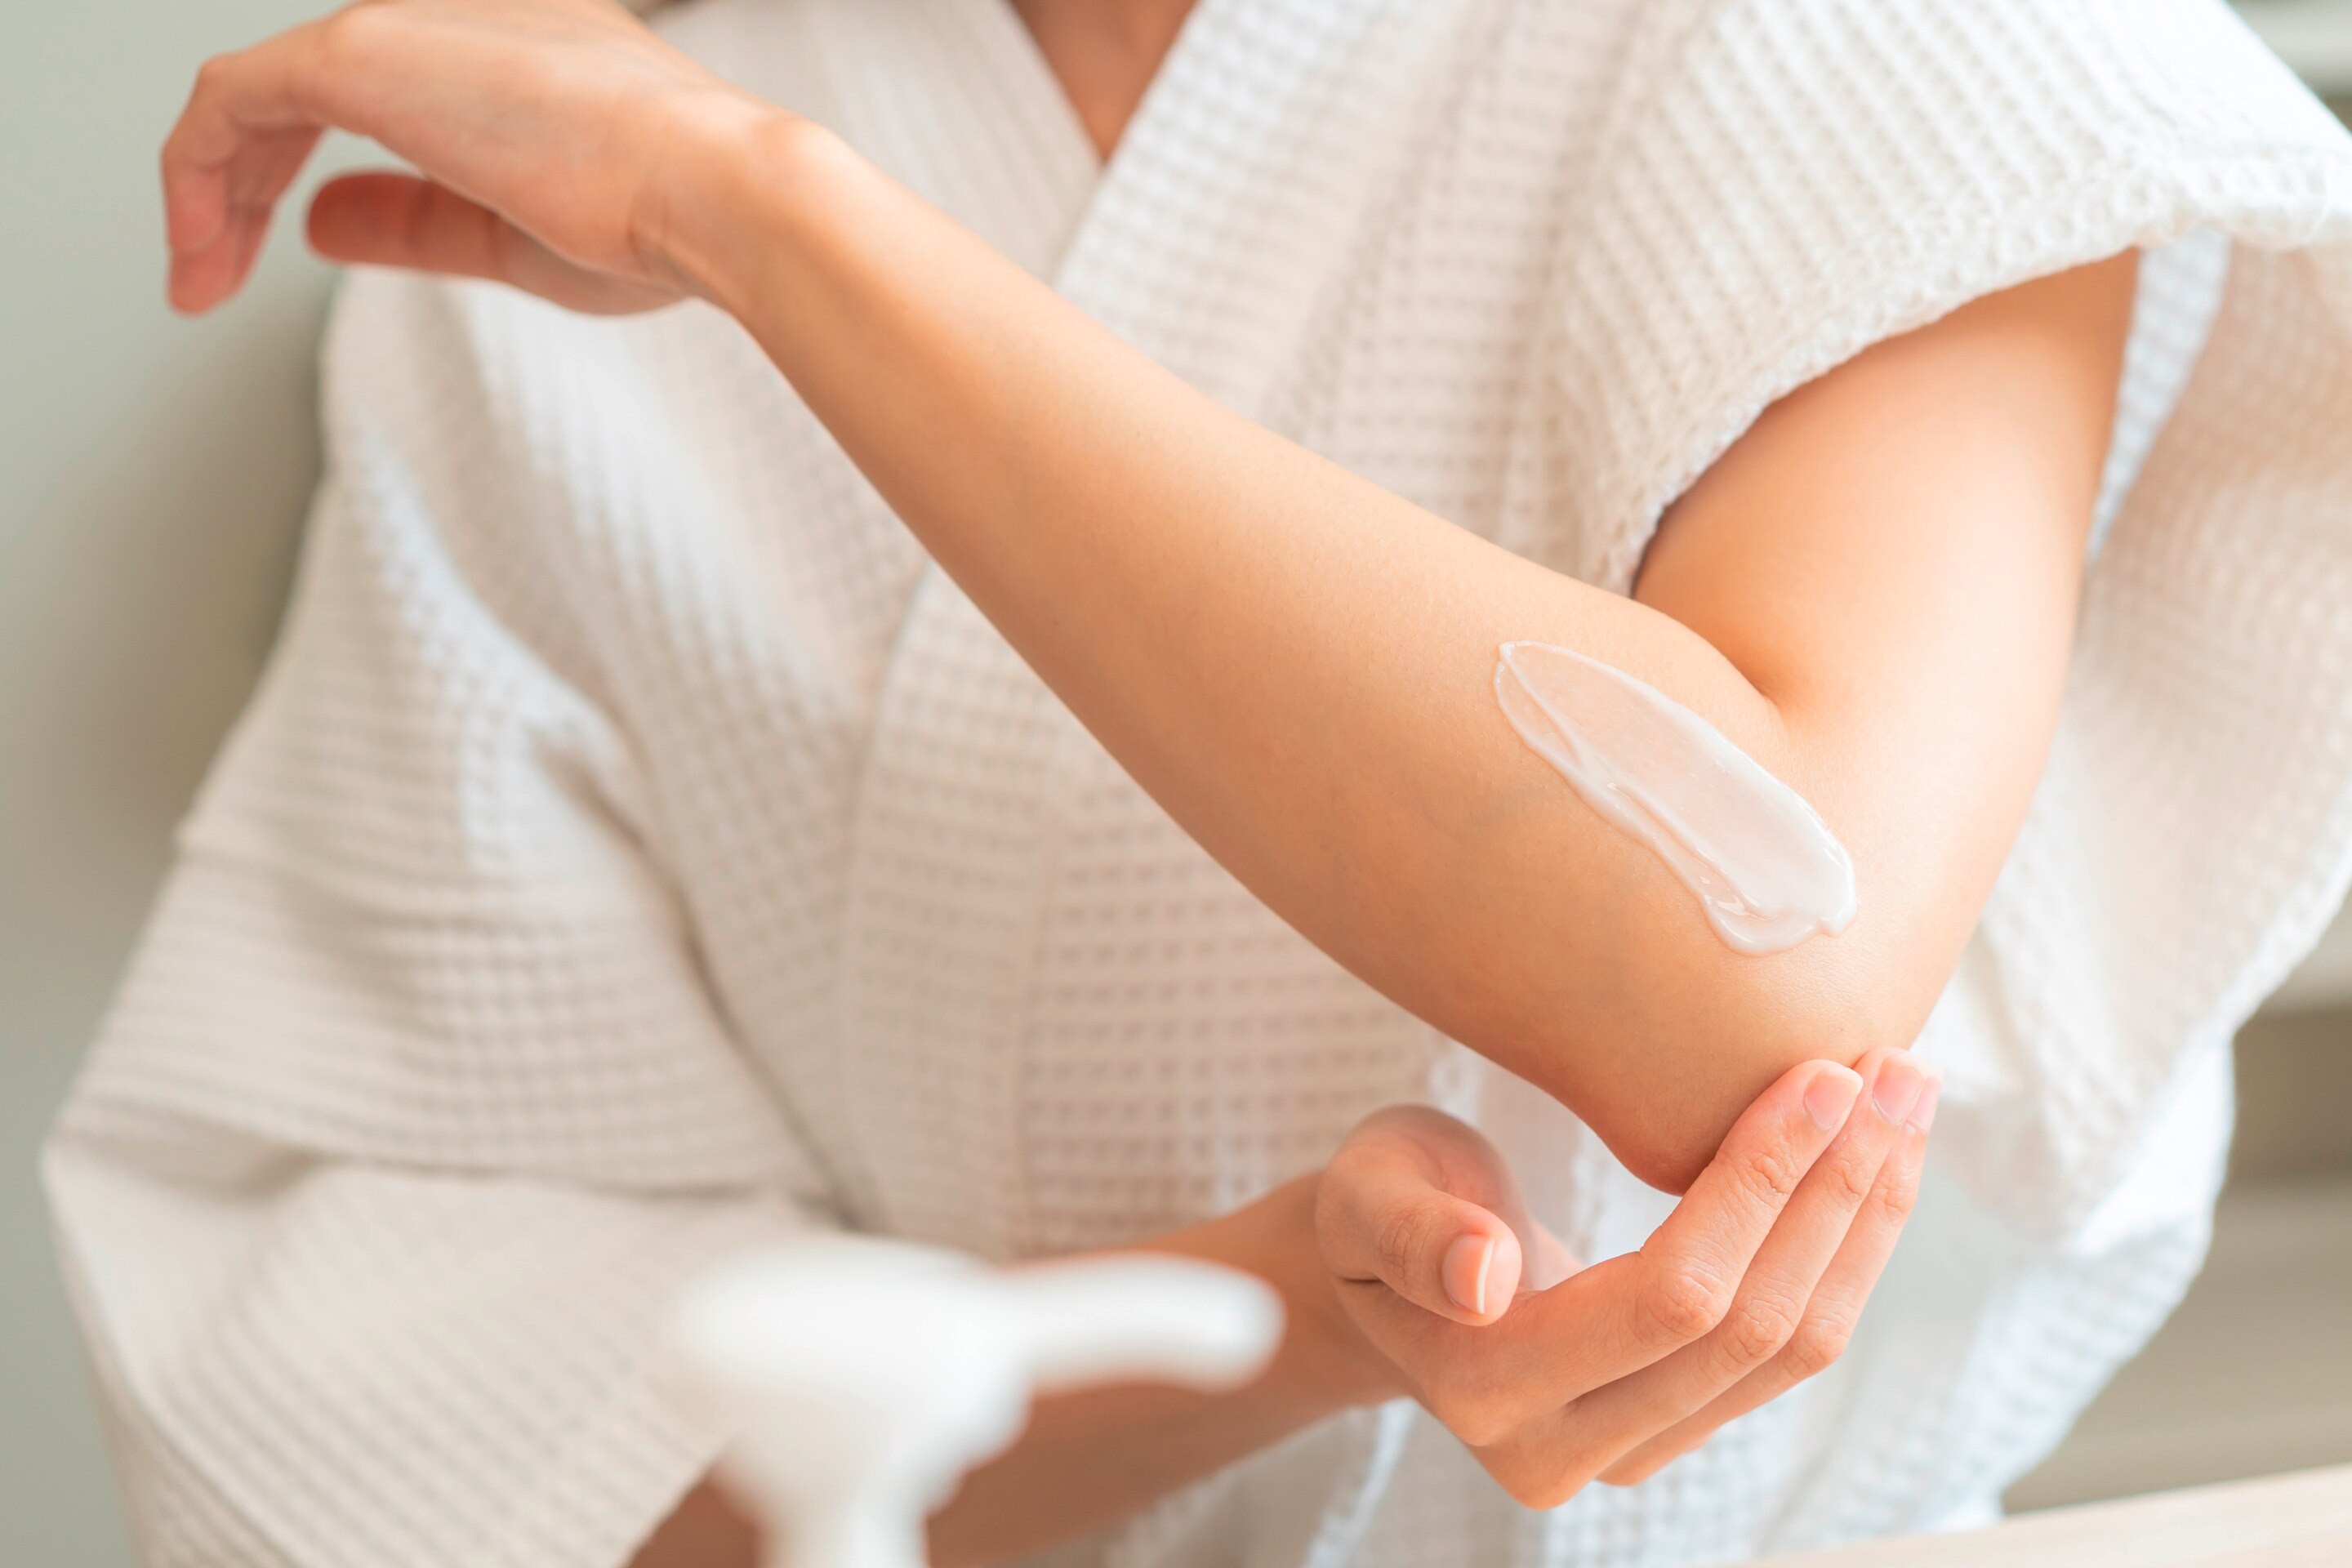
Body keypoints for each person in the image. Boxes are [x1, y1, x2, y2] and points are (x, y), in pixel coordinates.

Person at [43, 1, 2352, 1566]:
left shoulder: (1897, 42)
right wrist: (1296, 1309)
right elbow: (460, 1398)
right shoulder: (550, 222)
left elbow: (1749, 974)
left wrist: (774, 223)